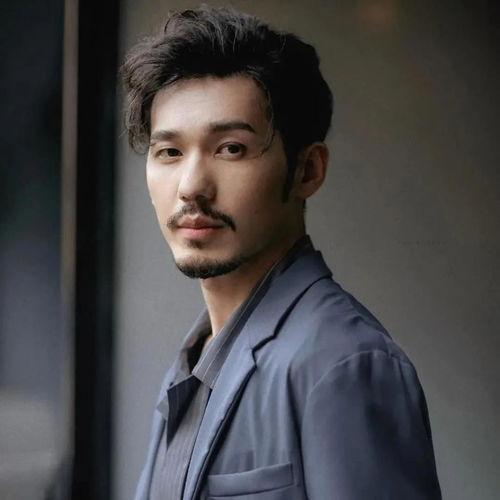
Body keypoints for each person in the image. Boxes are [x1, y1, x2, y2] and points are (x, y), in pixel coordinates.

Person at [121, 6, 441, 499]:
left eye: (231, 148)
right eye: (170, 152)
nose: (191, 186)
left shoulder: (343, 364)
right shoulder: (192, 363)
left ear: (307, 170)